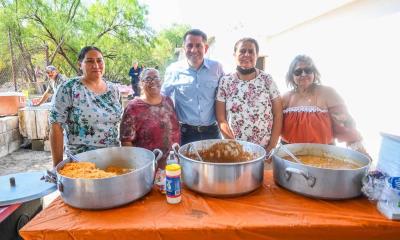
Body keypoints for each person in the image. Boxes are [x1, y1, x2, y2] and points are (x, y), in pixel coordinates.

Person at [49, 46, 122, 166]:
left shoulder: (113, 89)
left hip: (112, 159)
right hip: (81, 162)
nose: (96, 65)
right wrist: (57, 166)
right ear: (80, 64)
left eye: (99, 60)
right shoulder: (69, 88)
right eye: (89, 61)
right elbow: (56, 126)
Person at [281, 54, 368, 154]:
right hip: (290, 156)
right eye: (298, 71)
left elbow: (345, 125)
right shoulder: (285, 98)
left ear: (314, 73)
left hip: (323, 156)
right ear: (291, 76)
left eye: (308, 70)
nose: (303, 74)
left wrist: (362, 154)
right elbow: (273, 126)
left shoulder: (328, 93)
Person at [215, 38, 282, 152]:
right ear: (234, 55)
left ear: (257, 55)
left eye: (251, 51)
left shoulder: (267, 80)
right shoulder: (225, 81)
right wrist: (234, 146)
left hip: (264, 151)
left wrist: (272, 146)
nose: (247, 54)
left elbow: (278, 114)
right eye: (242, 51)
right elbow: (221, 119)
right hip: (235, 150)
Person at [162, 29, 224, 145]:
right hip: (185, 134)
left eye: (198, 46)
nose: (193, 50)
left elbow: (226, 94)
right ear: (184, 48)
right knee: (185, 164)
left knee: (215, 163)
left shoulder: (217, 68)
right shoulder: (173, 70)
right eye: (189, 45)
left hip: (212, 132)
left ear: (205, 48)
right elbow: (162, 97)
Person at [120, 68, 180, 169]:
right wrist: (138, 165)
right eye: (148, 79)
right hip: (148, 165)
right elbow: (126, 141)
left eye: (156, 78)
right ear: (141, 83)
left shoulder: (168, 101)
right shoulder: (133, 107)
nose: (153, 81)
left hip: (172, 163)